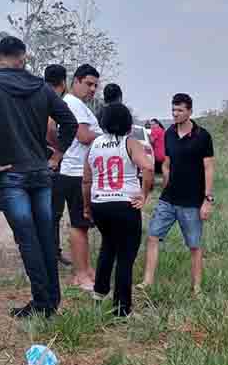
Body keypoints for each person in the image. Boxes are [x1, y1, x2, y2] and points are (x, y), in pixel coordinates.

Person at [0, 36, 76, 318]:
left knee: (27, 239)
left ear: (0, 56)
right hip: (41, 172)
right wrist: (57, 155)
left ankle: (42, 303)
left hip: (11, 173)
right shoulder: (41, 87)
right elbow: (69, 121)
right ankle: (51, 300)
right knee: (44, 237)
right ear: (22, 57)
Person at [82, 102, 154, 317]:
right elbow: (149, 167)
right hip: (124, 204)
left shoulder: (93, 145)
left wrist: (87, 207)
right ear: (126, 122)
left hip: (100, 203)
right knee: (125, 257)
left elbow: (86, 179)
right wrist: (144, 195)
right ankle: (122, 310)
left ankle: (99, 294)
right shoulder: (130, 142)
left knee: (107, 247)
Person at [142, 93, 215, 295]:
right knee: (153, 236)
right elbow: (166, 163)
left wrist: (208, 199)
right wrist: (166, 180)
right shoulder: (169, 134)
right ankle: (147, 282)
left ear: (190, 111)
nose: (175, 114)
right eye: (173, 110)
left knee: (194, 245)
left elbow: (209, 168)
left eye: (180, 110)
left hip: (192, 201)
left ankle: (197, 287)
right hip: (168, 199)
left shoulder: (203, 136)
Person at [57, 64, 101, 291]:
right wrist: (106, 136)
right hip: (75, 173)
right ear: (76, 81)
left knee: (82, 224)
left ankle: (86, 269)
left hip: (77, 171)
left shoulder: (79, 105)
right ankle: (80, 274)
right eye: (88, 84)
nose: (92, 89)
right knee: (79, 224)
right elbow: (83, 136)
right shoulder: (73, 104)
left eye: (95, 85)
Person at [43, 64, 71, 267]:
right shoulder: (53, 102)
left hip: (36, 161)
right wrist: (57, 150)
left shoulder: (36, 97)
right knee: (53, 212)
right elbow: (51, 126)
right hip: (52, 164)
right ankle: (52, 252)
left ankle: (50, 250)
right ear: (63, 82)